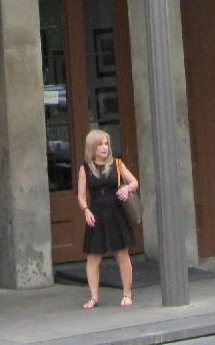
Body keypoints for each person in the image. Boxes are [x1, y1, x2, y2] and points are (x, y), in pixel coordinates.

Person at [77, 129, 138, 309]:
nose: (104, 148)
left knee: (121, 253)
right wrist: (86, 210)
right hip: (96, 211)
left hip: (115, 210)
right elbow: (81, 196)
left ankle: (127, 293)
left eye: (106, 144)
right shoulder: (85, 168)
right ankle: (94, 297)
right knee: (93, 257)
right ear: (92, 147)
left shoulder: (117, 164)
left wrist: (127, 188)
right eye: (100, 144)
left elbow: (134, 182)